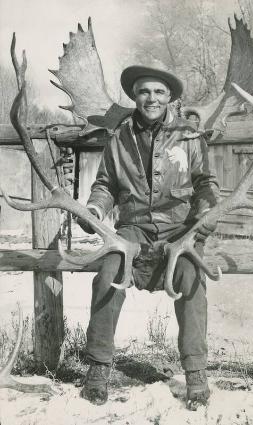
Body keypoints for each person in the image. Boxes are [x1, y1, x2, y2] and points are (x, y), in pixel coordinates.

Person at [78, 65, 220, 409]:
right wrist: (95, 211)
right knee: (109, 273)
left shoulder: (190, 136)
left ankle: (196, 371)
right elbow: (105, 185)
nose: (151, 98)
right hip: (133, 230)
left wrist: (206, 213)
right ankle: (98, 367)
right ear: (134, 96)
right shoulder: (119, 138)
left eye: (158, 92)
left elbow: (206, 183)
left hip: (180, 230)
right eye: (144, 91)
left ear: (169, 96)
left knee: (190, 278)